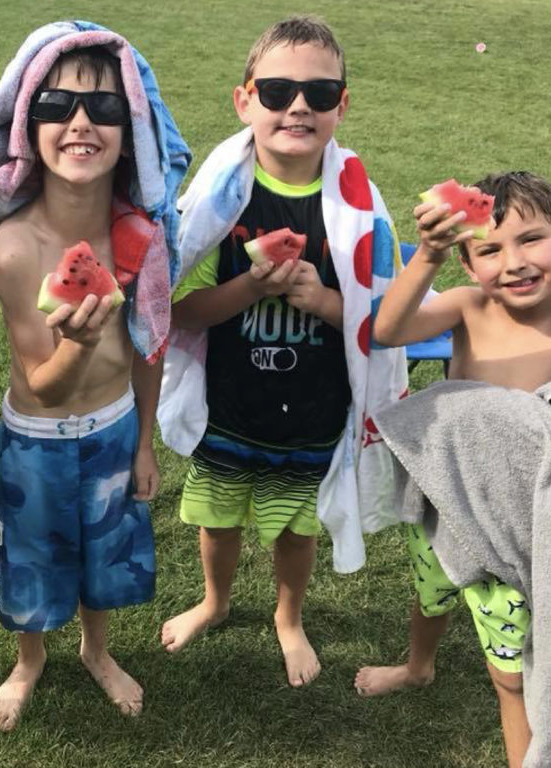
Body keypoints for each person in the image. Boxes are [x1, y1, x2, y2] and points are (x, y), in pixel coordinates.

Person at [158, 15, 407, 687]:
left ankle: (287, 616)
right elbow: (177, 310)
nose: (298, 106)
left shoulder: (360, 208)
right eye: (276, 91)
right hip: (231, 403)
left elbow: (378, 315)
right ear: (244, 100)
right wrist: (247, 286)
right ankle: (215, 599)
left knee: (296, 530)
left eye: (320, 94)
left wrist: (323, 302)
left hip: (313, 409)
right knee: (218, 517)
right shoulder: (221, 199)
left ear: (341, 107)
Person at [0, 22, 189, 731]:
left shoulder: (142, 238)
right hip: (36, 437)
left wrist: (146, 442)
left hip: (117, 426)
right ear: (27, 125)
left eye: (105, 109)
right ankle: (29, 660)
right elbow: (46, 383)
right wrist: (79, 340)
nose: (81, 123)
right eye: (56, 106)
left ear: (134, 131)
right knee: (31, 563)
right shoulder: (13, 248)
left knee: (103, 554)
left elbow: (151, 346)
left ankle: (96, 650)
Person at [356, 171, 551, 768]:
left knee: (512, 679)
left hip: (525, 528)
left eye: (532, 240)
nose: (515, 263)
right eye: (491, 250)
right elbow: (389, 329)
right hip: (452, 505)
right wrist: (427, 255)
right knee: (433, 590)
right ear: (468, 267)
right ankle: (419, 666)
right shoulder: (468, 307)